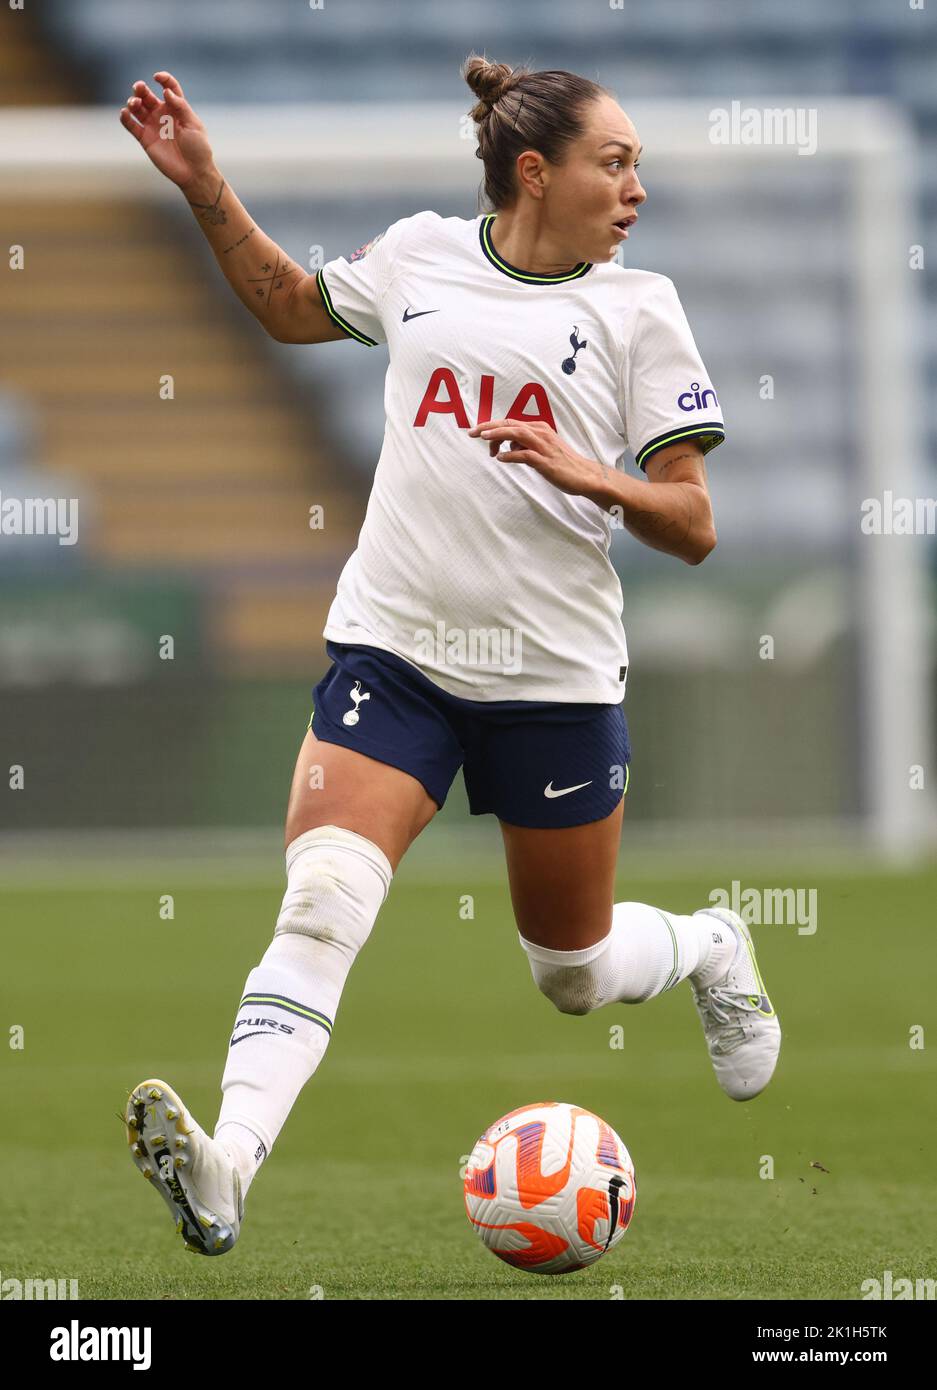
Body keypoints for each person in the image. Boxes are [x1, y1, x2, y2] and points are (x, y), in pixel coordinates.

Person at [119, 56, 780, 1257]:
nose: (636, 186)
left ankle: (710, 943)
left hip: (553, 680)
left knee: (570, 974)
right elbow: (285, 305)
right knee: (322, 901)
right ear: (538, 170)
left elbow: (694, 526)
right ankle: (228, 1165)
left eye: (637, 165)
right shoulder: (422, 253)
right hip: (397, 653)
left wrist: (594, 473)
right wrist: (206, 187)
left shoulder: (638, 309)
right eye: (615, 162)